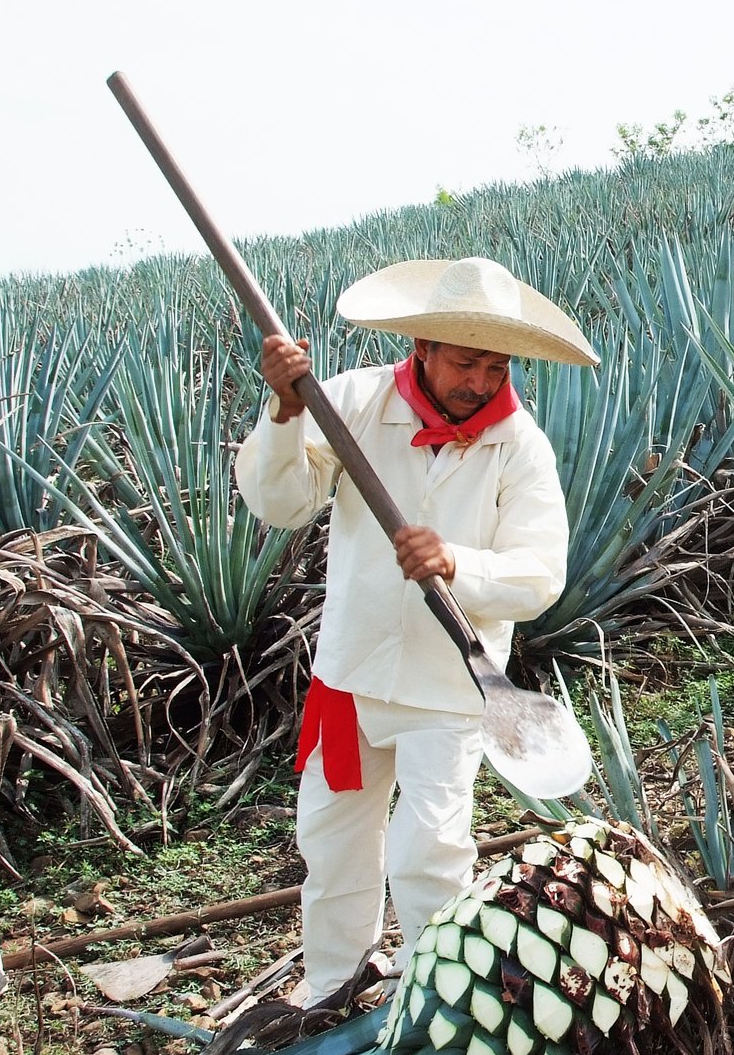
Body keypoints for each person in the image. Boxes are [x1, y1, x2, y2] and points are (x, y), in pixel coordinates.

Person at [235, 256, 598, 1005]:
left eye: (495, 366)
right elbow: (281, 502)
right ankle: (332, 984)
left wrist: (454, 562)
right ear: (423, 350)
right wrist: (282, 410)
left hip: (453, 687)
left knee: (428, 847)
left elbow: (539, 576)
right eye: (465, 362)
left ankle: (442, 995)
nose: (481, 382)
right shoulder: (354, 403)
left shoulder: (520, 446)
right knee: (333, 842)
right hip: (351, 675)